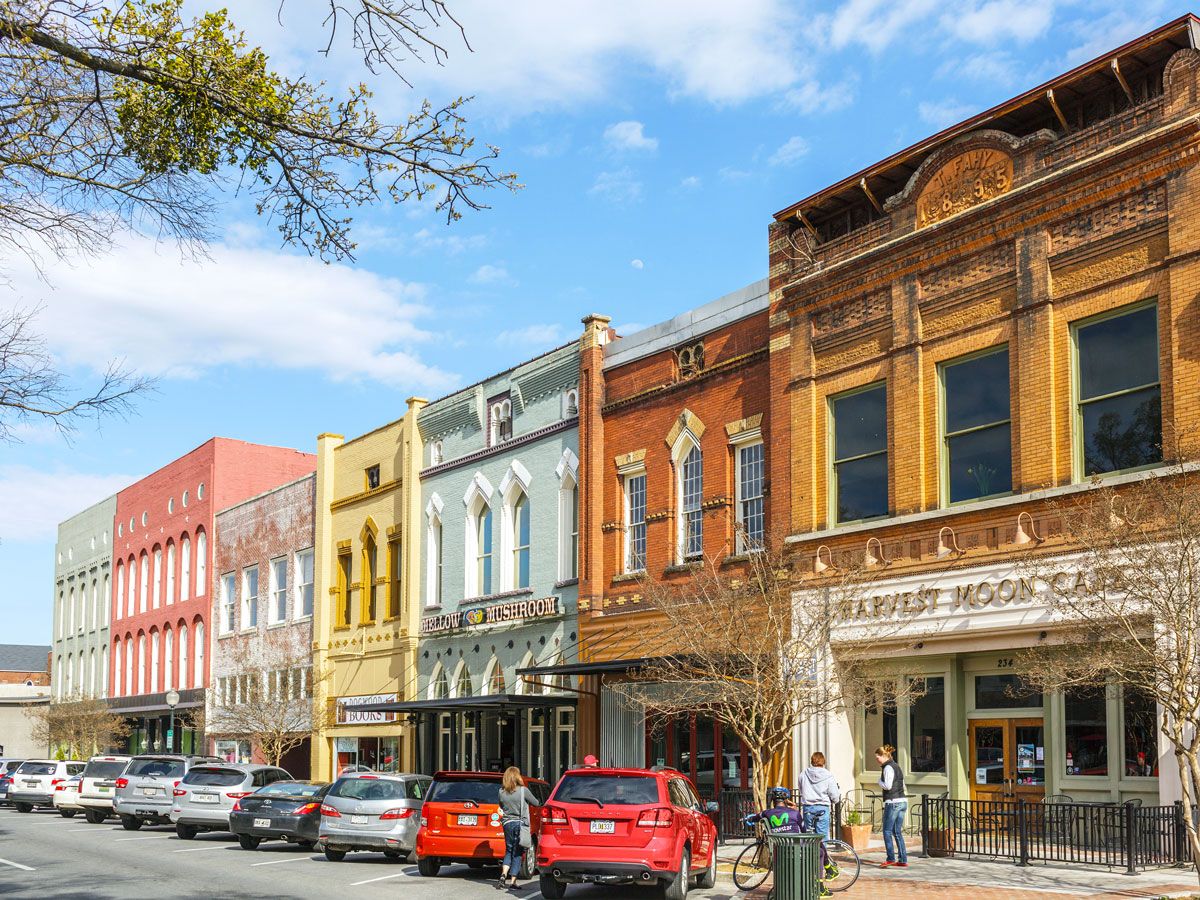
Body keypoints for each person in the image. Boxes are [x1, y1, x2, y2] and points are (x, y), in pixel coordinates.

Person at [498, 766, 542, 889]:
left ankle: (503, 875)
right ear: (517, 777)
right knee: (517, 852)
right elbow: (536, 803)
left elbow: (501, 805)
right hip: (520, 824)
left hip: (507, 823)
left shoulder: (501, 791)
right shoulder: (523, 790)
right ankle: (512, 881)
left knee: (509, 850)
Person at [876, 744, 908, 868]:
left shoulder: (888, 768)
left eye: (878, 757)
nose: (877, 759)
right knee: (897, 832)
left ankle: (890, 858)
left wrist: (879, 782)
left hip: (893, 802)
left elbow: (888, 786)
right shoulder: (896, 766)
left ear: (884, 756)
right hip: (902, 801)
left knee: (887, 831)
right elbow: (902, 784)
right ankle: (903, 859)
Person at [798, 751, 841, 841]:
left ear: (811, 761)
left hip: (808, 808)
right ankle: (822, 850)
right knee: (822, 837)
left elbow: (801, 790)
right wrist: (835, 800)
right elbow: (834, 796)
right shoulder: (828, 775)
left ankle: (810, 850)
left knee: (809, 837)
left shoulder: (803, 774)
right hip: (822, 808)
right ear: (823, 762)